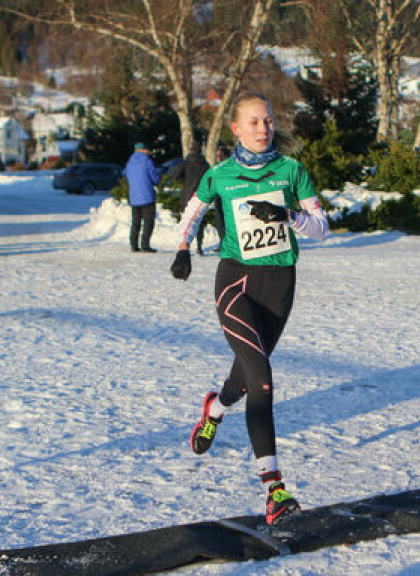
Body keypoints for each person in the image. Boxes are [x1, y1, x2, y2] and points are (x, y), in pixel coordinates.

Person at [169, 91, 329, 525]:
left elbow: (322, 228)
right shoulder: (220, 174)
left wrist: (288, 217)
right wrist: (182, 248)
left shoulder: (291, 171)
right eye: (254, 122)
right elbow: (193, 210)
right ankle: (275, 490)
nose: (263, 129)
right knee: (261, 380)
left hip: (279, 285)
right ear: (236, 129)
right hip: (235, 281)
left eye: (269, 121)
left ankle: (214, 409)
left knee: (243, 379)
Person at [174, 140, 213, 255]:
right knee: (199, 221)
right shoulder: (205, 164)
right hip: (201, 195)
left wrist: (183, 182)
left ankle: (185, 245)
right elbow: (210, 178)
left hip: (187, 195)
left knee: (187, 221)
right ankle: (199, 246)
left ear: (191, 149)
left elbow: (175, 176)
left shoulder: (186, 163)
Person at [125, 142, 161, 253]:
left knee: (135, 222)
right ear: (143, 150)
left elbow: (127, 177)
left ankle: (134, 245)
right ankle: (145, 245)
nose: (148, 152)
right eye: (147, 149)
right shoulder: (147, 161)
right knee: (148, 222)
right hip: (147, 196)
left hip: (134, 197)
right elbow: (155, 178)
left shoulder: (129, 162)